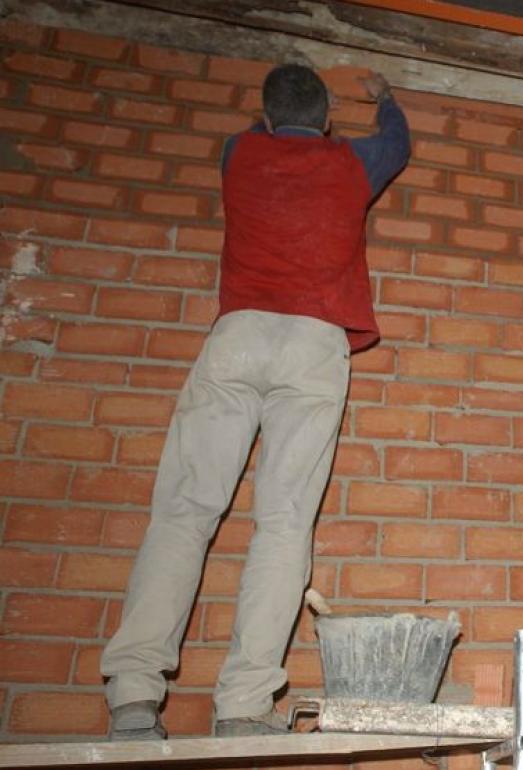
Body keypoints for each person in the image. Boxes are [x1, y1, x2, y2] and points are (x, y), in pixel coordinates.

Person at [100, 64, 411, 740]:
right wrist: (386, 98)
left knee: (183, 512)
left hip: (237, 337)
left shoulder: (241, 152)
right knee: (284, 523)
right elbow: (399, 141)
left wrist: (268, 119)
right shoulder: (354, 160)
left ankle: (132, 694)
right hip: (313, 343)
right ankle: (242, 705)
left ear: (267, 118)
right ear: (328, 120)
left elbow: (250, 130)